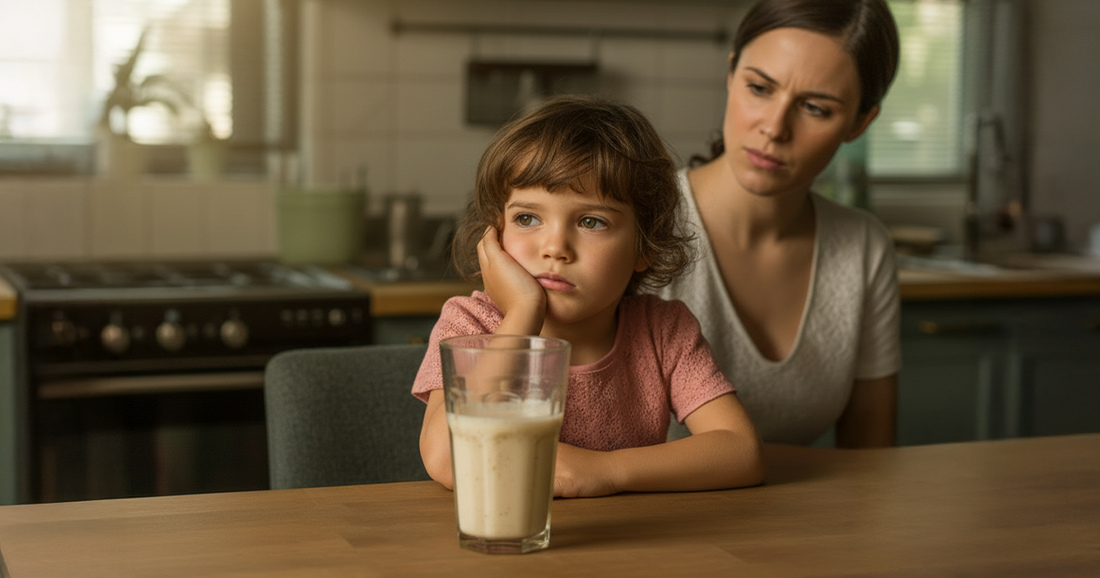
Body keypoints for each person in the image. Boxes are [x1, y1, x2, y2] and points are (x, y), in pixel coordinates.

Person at [412, 95, 765, 498]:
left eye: (590, 221)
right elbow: (444, 457)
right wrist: (523, 313)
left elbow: (741, 450)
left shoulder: (663, 332)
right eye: (527, 218)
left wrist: (605, 471)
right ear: (496, 234)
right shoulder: (469, 325)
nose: (555, 247)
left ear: (643, 247)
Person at [655, 0, 903, 448]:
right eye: (760, 88)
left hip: (802, 520)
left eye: (815, 108)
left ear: (861, 122)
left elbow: (872, 462)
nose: (774, 126)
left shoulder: (863, 247)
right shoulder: (641, 220)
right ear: (732, 73)